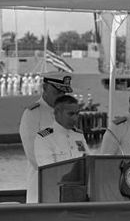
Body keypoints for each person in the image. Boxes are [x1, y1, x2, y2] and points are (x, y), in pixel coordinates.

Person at [20, 72, 73, 203]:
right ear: (45, 87)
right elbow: (34, 155)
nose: (61, 97)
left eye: (64, 94)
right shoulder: (32, 114)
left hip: (68, 189)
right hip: (42, 189)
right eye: (57, 92)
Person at [34, 95, 90, 167]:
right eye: (71, 114)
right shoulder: (44, 138)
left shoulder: (78, 135)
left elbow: (89, 162)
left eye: (77, 114)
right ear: (57, 112)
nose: (75, 118)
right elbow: (48, 171)